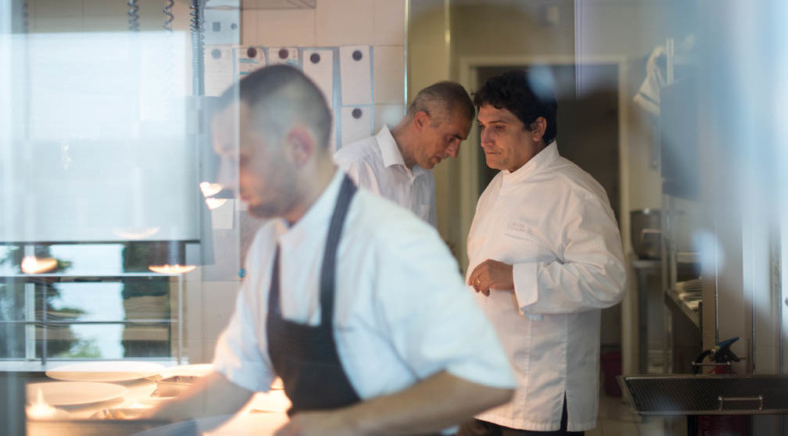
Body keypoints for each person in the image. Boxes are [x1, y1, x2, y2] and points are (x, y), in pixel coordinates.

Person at [153, 65, 515, 435]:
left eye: (240, 158)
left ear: (298, 147)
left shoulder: (397, 238)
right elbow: (237, 376)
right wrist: (140, 424)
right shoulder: (269, 248)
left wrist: (344, 423)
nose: (225, 179)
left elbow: (485, 378)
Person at [461, 70, 627, 436]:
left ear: (537, 128)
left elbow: (608, 280)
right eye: (483, 126)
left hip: (540, 399)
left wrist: (517, 276)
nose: (484, 140)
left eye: (499, 127)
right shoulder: (496, 188)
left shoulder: (574, 191)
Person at [334, 81, 473, 226]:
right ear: (421, 121)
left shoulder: (425, 176)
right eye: (450, 139)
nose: (454, 153)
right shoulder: (354, 165)